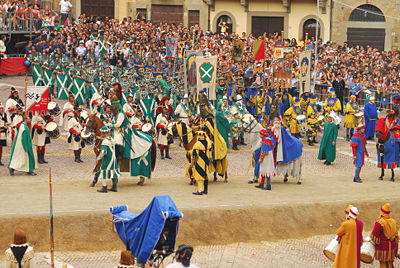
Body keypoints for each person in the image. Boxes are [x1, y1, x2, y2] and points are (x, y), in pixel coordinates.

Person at [370, 203, 399, 268]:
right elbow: (396, 236)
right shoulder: (393, 221)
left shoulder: (380, 222)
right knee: (390, 264)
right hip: (392, 248)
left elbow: (374, 236)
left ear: (382, 212)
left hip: (382, 248)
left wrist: (371, 237)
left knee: (383, 264)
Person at [96, 126, 120, 193]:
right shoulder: (111, 139)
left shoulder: (105, 141)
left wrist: (98, 158)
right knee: (113, 172)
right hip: (113, 159)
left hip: (107, 160)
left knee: (103, 171)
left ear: (103, 133)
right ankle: (114, 187)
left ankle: (104, 187)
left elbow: (104, 152)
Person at [190, 131, 209, 195]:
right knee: (205, 175)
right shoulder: (207, 143)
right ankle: (205, 190)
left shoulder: (197, 144)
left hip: (199, 162)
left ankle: (200, 190)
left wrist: (192, 164)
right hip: (206, 162)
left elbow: (195, 155)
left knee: (199, 176)